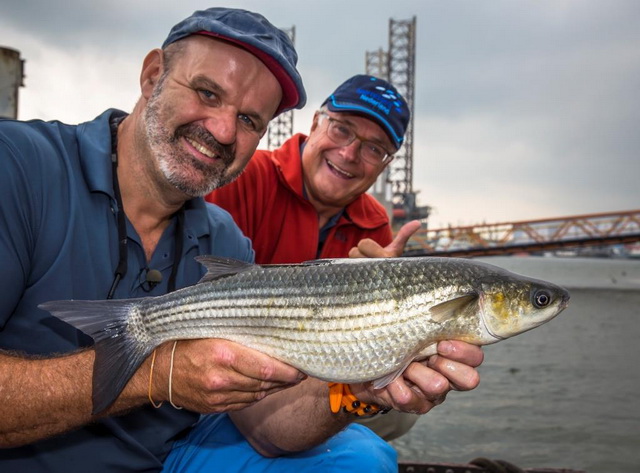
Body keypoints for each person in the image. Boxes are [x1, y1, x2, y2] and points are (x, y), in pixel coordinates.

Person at [0, 8, 482, 473]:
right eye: (208, 93)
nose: (224, 129)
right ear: (152, 76)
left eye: (251, 120)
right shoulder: (16, 167)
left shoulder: (225, 237)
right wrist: (157, 373)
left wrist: (358, 388)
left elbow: (265, 426)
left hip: (176, 448)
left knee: (363, 459)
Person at [203, 74, 442, 441]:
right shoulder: (244, 177)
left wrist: (386, 316)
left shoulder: (375, 226)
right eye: (342, 129)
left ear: (385, 164)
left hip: (306, 382)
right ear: (315, 123)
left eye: (374, 149)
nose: (349, 154)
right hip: (219, 361)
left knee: (402, 406)